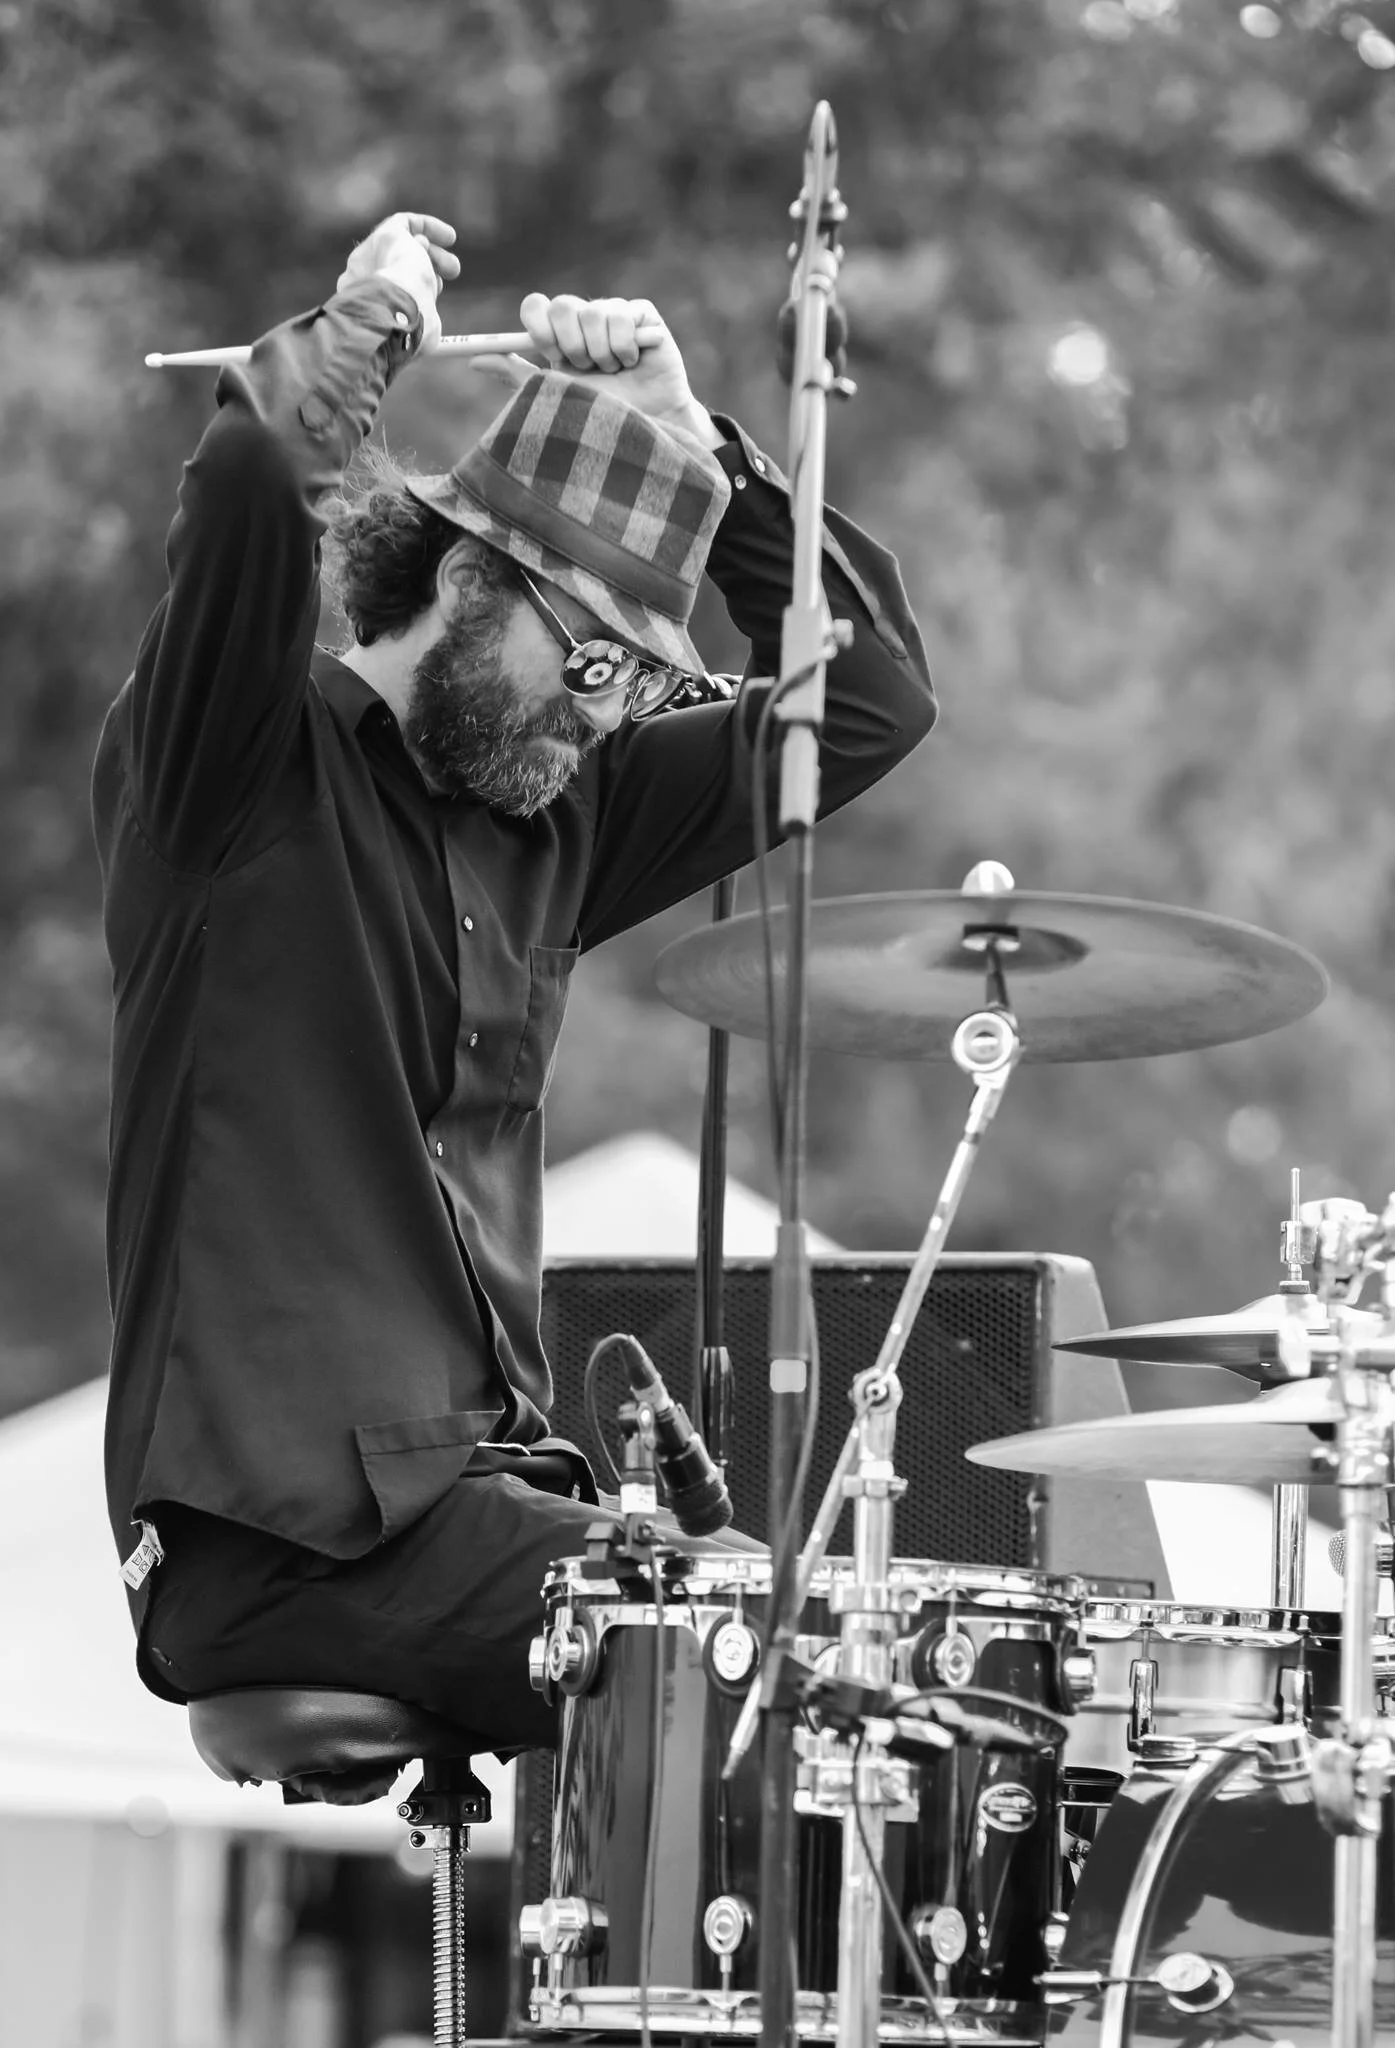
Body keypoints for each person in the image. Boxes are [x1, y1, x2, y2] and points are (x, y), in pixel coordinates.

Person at [93, 210, 936, 1777]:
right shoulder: (232, 765)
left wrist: (696, 444)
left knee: (831, 1640)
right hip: (274, 1531)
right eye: (596, 662)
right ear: (476, 580)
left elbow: (867, 704)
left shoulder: (558, 814)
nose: (612, 714)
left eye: (645, 682)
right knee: (738, 1644)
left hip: (479, 1505)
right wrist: (368, 319)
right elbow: (250, 478)